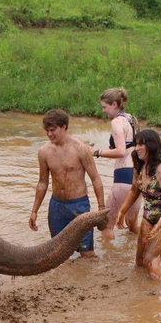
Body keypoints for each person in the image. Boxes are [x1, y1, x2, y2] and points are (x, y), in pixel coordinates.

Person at [28, 109, 106, 258]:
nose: (49, 134)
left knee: (87, 253)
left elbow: (96, 179)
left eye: (52, 130)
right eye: (47, 131)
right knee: (57, 253)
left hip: (79, 205)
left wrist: (101, 208)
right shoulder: (44, 151)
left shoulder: (81, 149)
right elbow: (42, 183)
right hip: (57, 206)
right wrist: (34, 211)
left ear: (64, 127)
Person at [116, 129, 161, 281]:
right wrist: (122, 211)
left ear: (152, 145)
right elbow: (134, 189)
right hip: (149, 217)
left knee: (150, 261)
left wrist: (158, 226)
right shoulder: (140, 163)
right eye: (136, 144)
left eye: (141, 144)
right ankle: (142, 290)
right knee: (140, 262)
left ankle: (160, 292)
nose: (137, 148)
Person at [93, 87, 142, 238]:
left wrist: (96, 152)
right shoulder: (131, 119)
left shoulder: (117, 122)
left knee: (106, 225)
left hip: (124, 176)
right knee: (132, 226)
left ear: (114, 104)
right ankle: (148, 243)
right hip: (138, 176)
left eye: (105, 107)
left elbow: (121, 151)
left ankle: (107, 254)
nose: (103, 111)